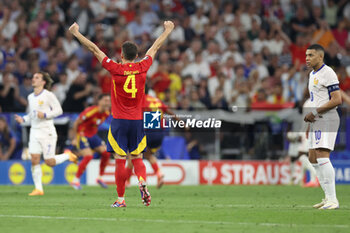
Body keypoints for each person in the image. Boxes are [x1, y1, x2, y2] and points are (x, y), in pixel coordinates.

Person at [69, 20, 174, 207]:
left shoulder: (115, 69)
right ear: (136, 56)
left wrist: (76, 33)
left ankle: (121, 199)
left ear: (122, 55)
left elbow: (94, 49)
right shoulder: (144, 66)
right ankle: (142, 181)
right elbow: (155, 46)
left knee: (119, 160)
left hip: (119, 121)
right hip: (137, 121)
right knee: (138, 158)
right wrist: (168, 30)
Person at [14, 72, 78, 196]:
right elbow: (33, 113)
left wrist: (45, 115)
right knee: (34, 159)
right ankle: (39, 189)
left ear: (43, 82)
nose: (33, 79)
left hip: (47, 131)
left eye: (36, 77)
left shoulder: (49, 95)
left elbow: (59, 110)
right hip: (34, 131)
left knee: (49, 162)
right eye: (33, 77)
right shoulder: (31, 97)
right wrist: (24, 119)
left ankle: (67, 155)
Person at [304, 44, 342, 209]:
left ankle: (333, 200)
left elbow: (336, 99)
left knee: (321, 155)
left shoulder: (328, 73)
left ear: (320, 56)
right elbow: (315, 100)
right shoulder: (312, 74)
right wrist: (310, 122)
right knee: (312, 158)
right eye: (306, 55)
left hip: (326, 118)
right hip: (316, 120)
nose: (307, 58)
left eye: (311, 55)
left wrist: (315, 112)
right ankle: (327, 198)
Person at [125, 92, 176, 189]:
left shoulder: (140, 101)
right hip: (159, 133)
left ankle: (127, 181)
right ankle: (159, 173)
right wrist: (181, 122)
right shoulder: (156, 100)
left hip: (147, 131)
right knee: (148, 155)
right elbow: (169, 111)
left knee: (133, 155)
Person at [70, 94, 111, 190]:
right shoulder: (90, 111)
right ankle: (75, 180)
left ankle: (100, 178)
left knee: (106, 153)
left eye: (108, 101)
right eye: (105, 100)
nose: (107, 102)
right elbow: (76, 122)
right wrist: (76, 138)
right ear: (99, 102)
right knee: (88, 156)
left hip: (93, 135)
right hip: (82, 134)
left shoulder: (106, 113)